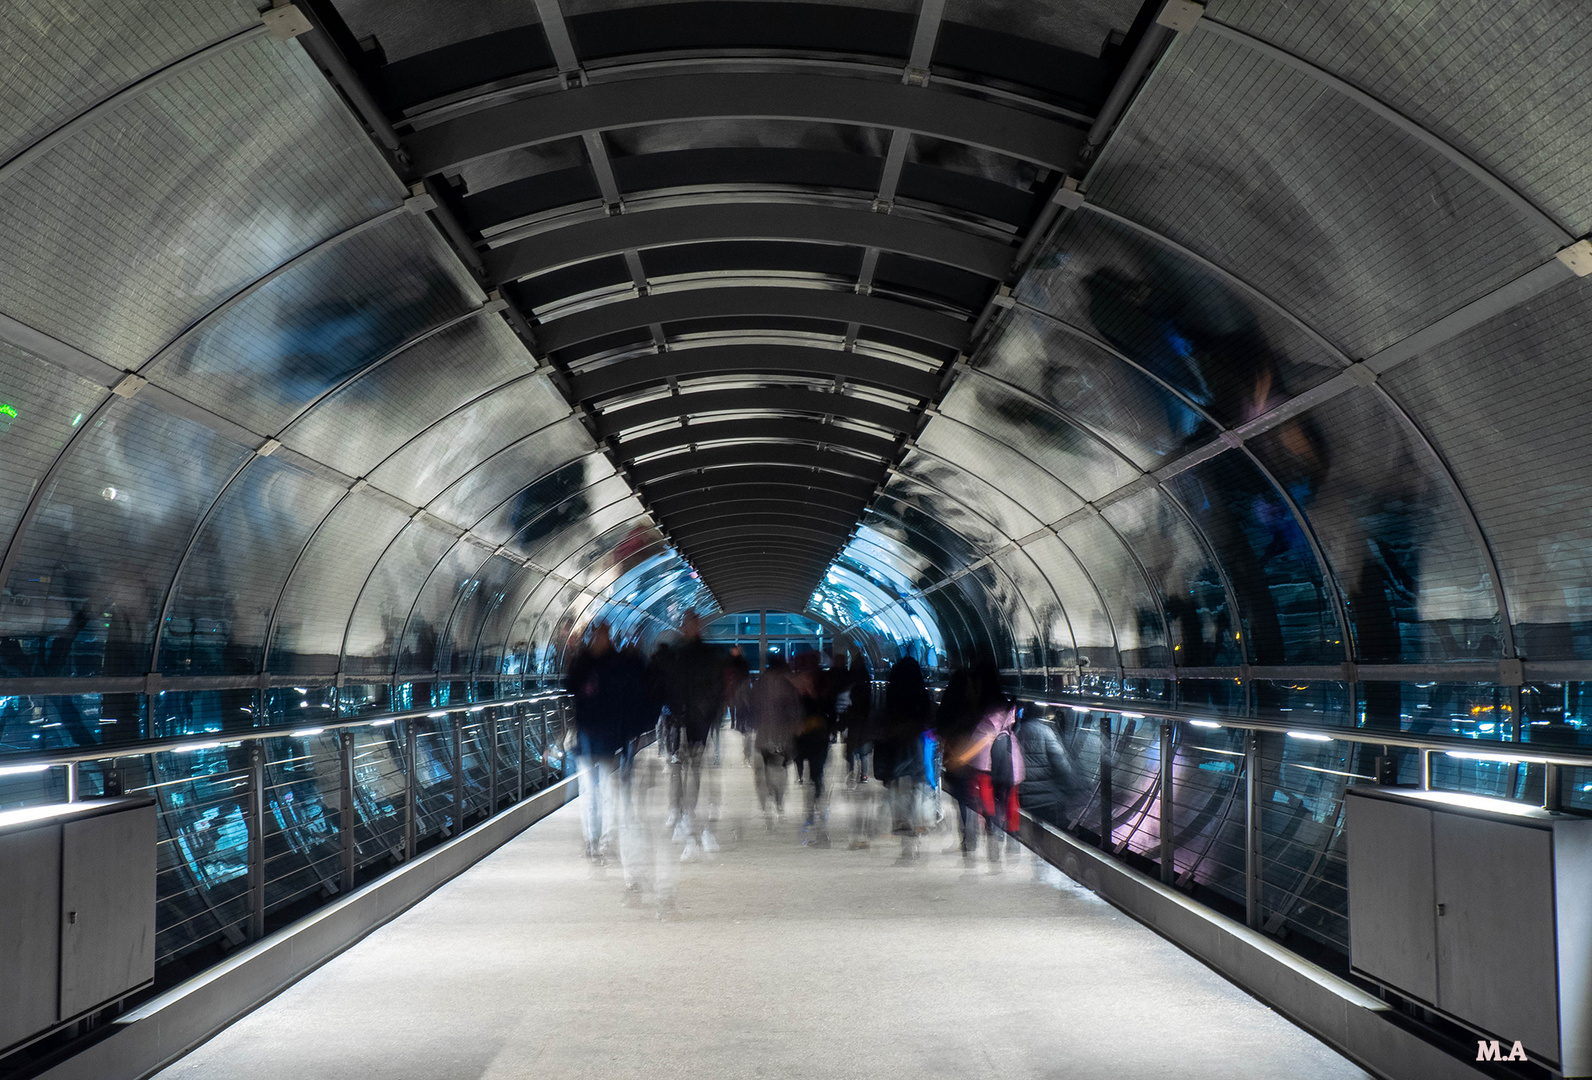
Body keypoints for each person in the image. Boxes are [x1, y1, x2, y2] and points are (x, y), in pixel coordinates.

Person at [660, 611, 726, 859]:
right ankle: (679, 813)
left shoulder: (691, 655)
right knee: (679, 768)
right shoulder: (683, 654)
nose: (689, 627)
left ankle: (684, 814)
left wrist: (710, 716)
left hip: (694, 722)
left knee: (691, 769)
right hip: (680, 722)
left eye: (692, 623)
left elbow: (715, 690)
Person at [946, 659, 1024, 867]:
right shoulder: (1007, 705)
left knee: (989, 803)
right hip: (1010, 760)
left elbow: (983, 738)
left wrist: (961, 758)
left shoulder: (984, 710)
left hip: (986, 763)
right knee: (1008, 800)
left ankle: (994, 842)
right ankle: (1009, 842)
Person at [564, 622, 629, 862]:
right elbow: (569, 684)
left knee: (607, 792)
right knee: (590, 792)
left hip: (608, 738)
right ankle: (592, 840)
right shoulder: (586, 662)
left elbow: (625, 695)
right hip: (587, 737)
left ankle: (605, 840)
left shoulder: (615, 663)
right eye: (597, 634)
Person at [872, 656, 933, 861]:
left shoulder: (892, 696)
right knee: (914, 796)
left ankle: (907, 847)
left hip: (896, 755)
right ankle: (912, 842)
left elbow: (881, 727)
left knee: (901, 800)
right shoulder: (920, 697)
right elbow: (929, 721)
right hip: (916, 752)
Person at [749, 655, 800, 829]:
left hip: (764, 732)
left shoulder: (761, 682)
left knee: (764, 769)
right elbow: (796, 706)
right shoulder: (789, 682)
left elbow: (752, 704)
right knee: (781, 767)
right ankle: (779, 801)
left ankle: (768, 802)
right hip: (784, 733)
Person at [789, 652, 832, 846]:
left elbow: (826, 709)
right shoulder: (804, 687)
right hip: (810, 736)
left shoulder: (821, 685)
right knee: (813, 774)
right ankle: (813, 805)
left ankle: (815, 808)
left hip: (814, 736)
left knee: (815, 774)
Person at [1016, 709, 1074, 827]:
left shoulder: (1017, 730)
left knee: (1029, 824)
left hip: (1024, 791)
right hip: (1045, 794)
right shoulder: (1045, 731)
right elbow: (1059, 761)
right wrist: (1070, 784)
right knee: (1049, 825)